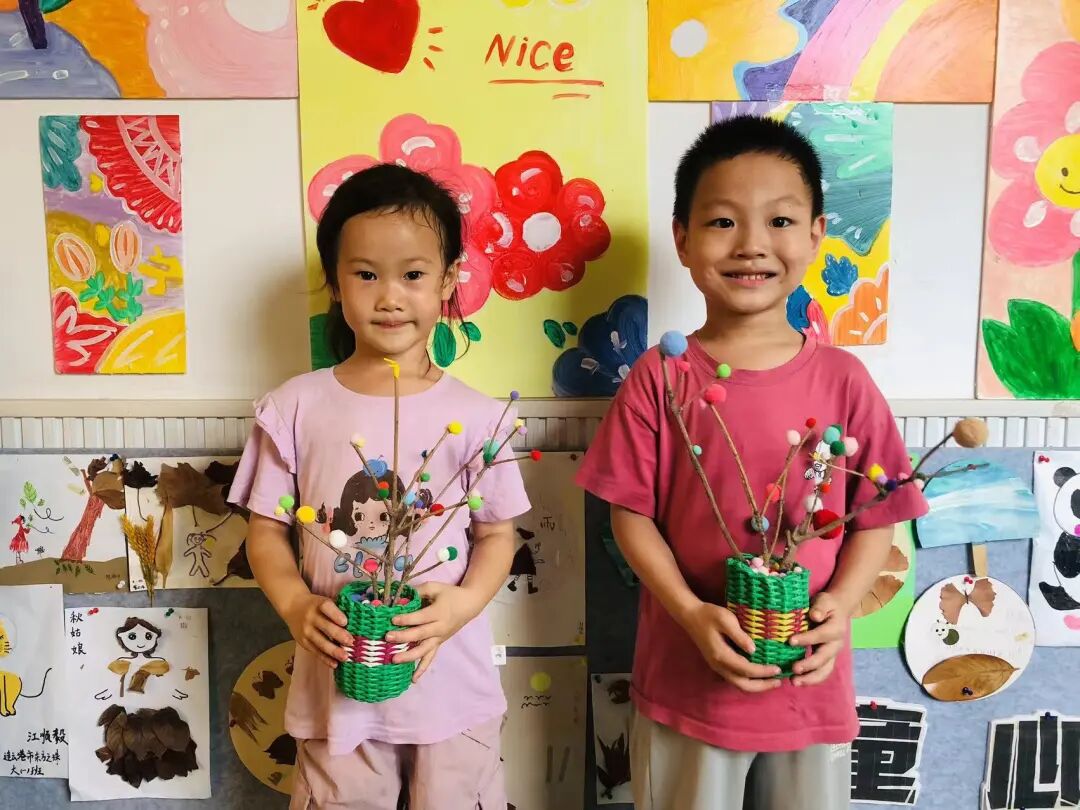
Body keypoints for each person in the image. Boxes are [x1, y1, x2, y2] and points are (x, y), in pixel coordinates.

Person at [575, 115, 928, 810]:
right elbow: (630, 517)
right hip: (687, 683)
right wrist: (689, 612)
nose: (752, 244)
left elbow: (876, 519)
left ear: (816, 235)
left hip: (809, 688)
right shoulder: (661, 377)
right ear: (682, 239)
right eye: (722, 222)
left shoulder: (845, 381)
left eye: (780, 221)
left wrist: (839, 607)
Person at [228, 163, 530, 810]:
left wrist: (461, 606)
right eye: (366, 274)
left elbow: (499, 536)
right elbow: (265, 533)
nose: (389, 296)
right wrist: (297, 605)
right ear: (335, 282)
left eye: (413, 275)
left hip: (451, 692)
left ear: (448, 280)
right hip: (338, 694)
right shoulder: (293, 408)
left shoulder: (481, 417)